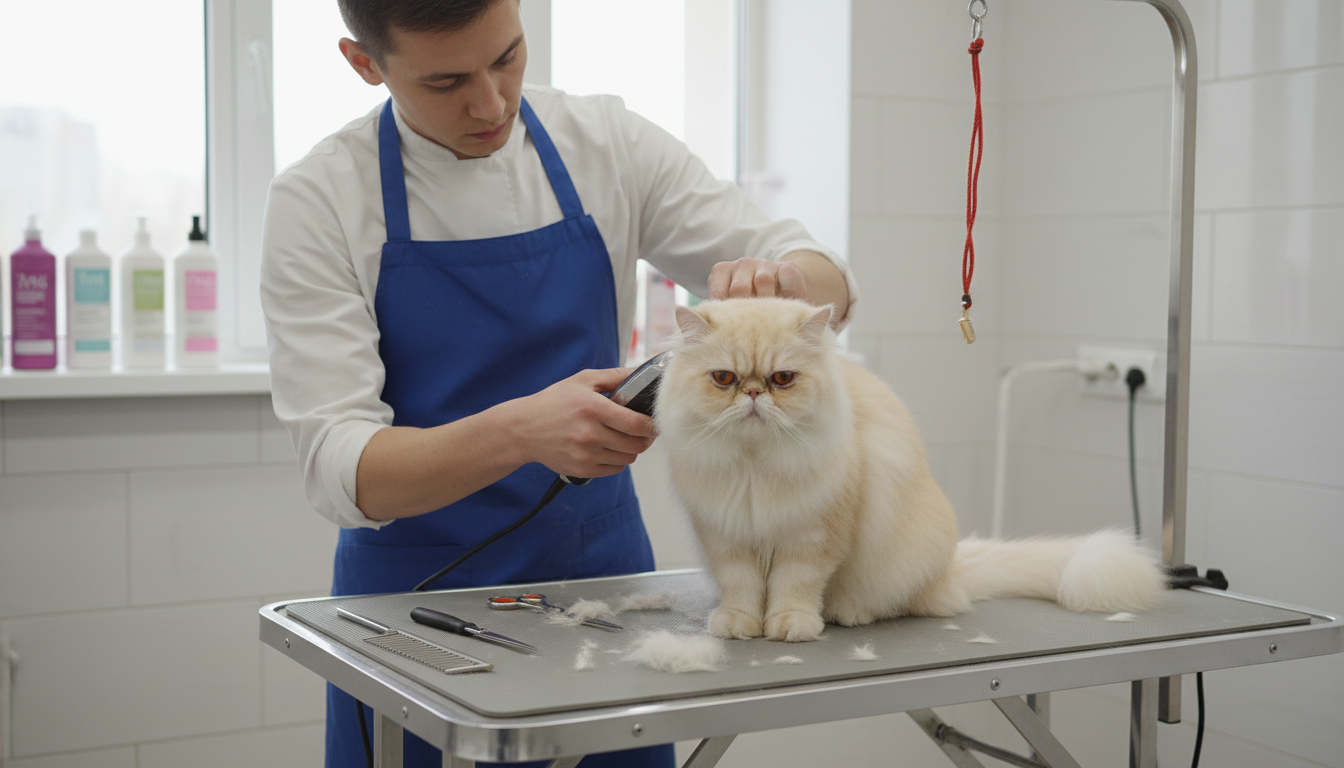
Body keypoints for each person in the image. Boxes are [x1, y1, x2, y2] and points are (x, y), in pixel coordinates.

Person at [260, 1, 857, 766]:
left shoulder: (604, 143)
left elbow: (818, 274)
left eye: (507, 57)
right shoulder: (320, 200)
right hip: (412, 612)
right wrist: (520, 433)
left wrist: (783, 278)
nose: (492, 102)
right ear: (364, 64)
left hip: (604, 586)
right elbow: (342, 470)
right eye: (447, 81)